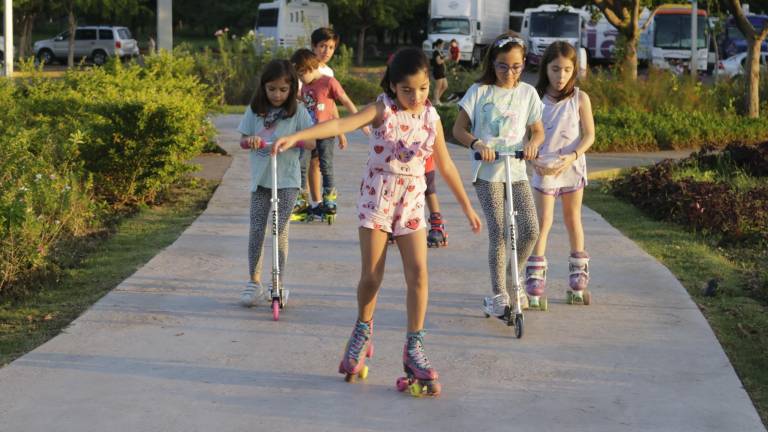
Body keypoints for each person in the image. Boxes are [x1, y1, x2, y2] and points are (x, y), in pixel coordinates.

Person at [274, 48, 482, 397]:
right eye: (407, 90)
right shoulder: (382, 108)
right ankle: (362, 329)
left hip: (412, 201)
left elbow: (445, 164)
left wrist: (466, 207)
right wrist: (295, 137)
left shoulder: (431, 117)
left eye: (422, 88)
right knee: (372, 276)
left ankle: (414, 346)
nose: (416, 96)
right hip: (378, 197)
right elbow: (342, 123)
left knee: (419, 274)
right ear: (393, 87)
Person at [452, 33, 545, 318]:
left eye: (516, 66)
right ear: (493, 63)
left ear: (524, 64)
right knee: (500, 232)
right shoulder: (479, 92)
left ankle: (511, 278)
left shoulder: (527, 93)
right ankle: (499, 294)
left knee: (530, 229)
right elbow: (458, 130)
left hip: (516, 171)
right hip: (488, 172)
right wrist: (477, 144)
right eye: (503, 66)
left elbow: (538, 130)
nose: (509, 72)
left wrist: (532, 144)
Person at [238, 60, 316, 307]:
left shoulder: (298, 112)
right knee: (257, 229)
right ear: (264, 87)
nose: (277, 95)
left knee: (279, 230)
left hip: (287, 182)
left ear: (292, 89)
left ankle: (278, 283)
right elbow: (242, 139)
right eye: (272, 89)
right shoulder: (254, 111)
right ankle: (254, 282)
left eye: (283, 90)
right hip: (261, 181)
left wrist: (294, 141)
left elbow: (312, 142)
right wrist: (250, 140)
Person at [527, 41, 595, 307]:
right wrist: (531, 158)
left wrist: (573, 156)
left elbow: (589, 135)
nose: (561, 76)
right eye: (555, 69)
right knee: (543, 222)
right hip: (545, 168)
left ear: (574, 70)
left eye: (567, 70)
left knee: (572, 218)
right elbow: (527, 135)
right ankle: (535, 278)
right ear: (546, 68)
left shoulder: (580, 98)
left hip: (572, 167)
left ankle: (578, 275)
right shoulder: (535, 97)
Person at [290, 48, 363, 221]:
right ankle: (301, 200)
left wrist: (358, 123)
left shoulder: (329, 82)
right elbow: (306, 102)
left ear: (309, 68)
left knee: (325, 166)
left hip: (327, 132)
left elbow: (343, 102)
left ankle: (329, 199)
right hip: (309, 133)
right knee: (301, 164)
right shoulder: (306, 87)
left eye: (301, 74)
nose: (300, 79)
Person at [430, 39, 448, 106]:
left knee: (445, 86)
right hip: (438, 71)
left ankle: (436, 99)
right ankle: (436, 101)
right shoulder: (436, 52)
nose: (443, 46)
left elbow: (442, 61)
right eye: (442, 44)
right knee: (438, 87)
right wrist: (444, 59)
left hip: (442, 71)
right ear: (439, 44)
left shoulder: (440, 52)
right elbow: (438, 62)